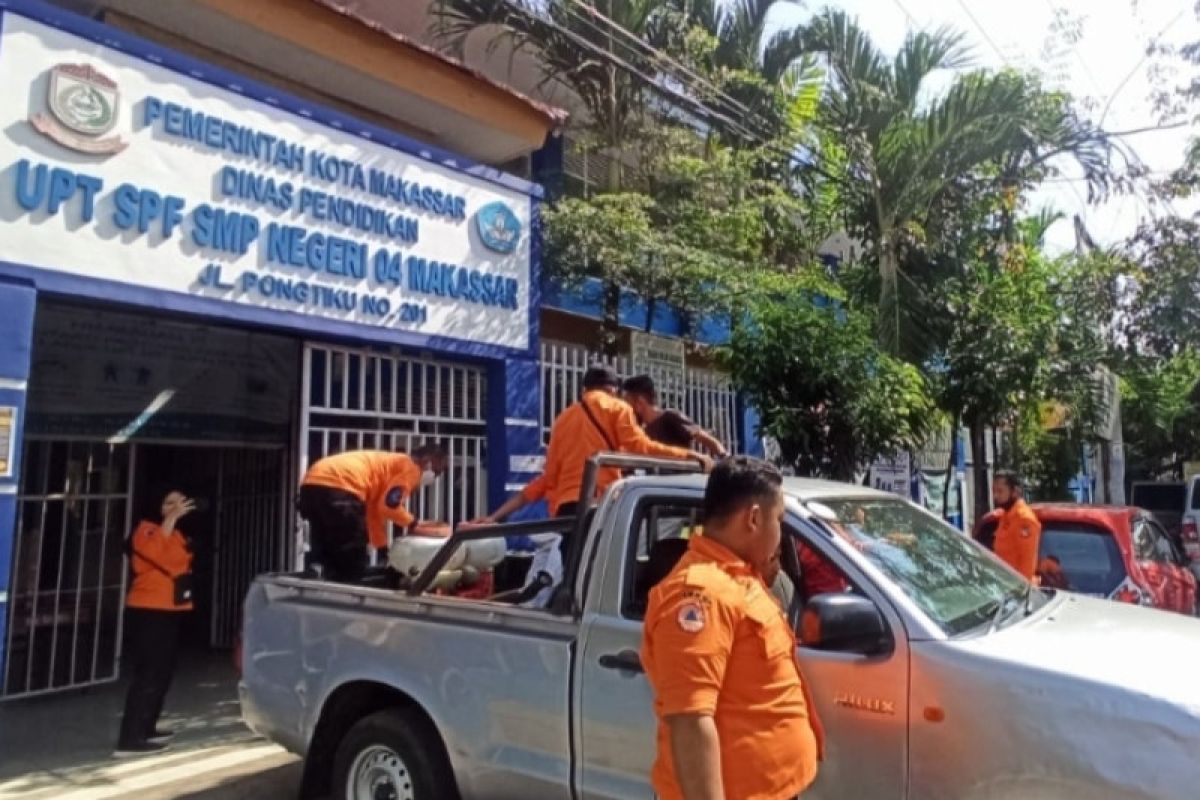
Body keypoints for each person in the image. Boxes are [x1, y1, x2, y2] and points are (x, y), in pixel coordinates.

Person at [641, 457, 824, 800]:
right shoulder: (700, 594)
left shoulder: (739, 577)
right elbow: (691, 719)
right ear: (753, 518)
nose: (781, 534)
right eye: (779, 520)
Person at [475, 366, 712, 523]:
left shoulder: (562, 418)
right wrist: (689, 455)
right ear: (612, 389)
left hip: (567, 511)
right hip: (600, 503)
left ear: (584, 390)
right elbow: (641, 447)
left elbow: (548, 479)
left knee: (575, 570)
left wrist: (495, 517)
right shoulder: (618, 408)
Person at [116, 491, 195, 757]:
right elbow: (155, 554)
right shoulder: (145, 530)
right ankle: (130, 738)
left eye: (180, 502)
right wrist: (170, 520)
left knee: (163, 672)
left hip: (170, 608)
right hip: (149, 609)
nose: (176, 507)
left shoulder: (176, 533)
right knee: (148, 673)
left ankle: (146, 727)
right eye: (169, 503)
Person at [299, 444, 447, 582]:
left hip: (311, 485)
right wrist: (413, 523)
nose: (435, 477)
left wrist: (382, 549)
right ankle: (349, 587)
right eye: (437, 471)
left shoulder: (389, 465)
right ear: (427, 461)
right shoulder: (411, 468)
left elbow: (373, 513)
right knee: (352, 554)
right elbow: (390, 506)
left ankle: (318, 570)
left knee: (325, 541)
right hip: (341, 485)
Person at [622, 375, 728, 456]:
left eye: (627, 401)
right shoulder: (640, 428)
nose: (624, 406)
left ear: (640, 401)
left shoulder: (671, 417)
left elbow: (704, 438)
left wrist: (724, 457)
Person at [991, 471, 1042, 581]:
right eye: (994, 491)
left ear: (1015, 492)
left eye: (1000, 491)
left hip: (1017, 586)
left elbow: (1027, 567)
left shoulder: (1024, 519)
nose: (995, 496)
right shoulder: (1005, 516)